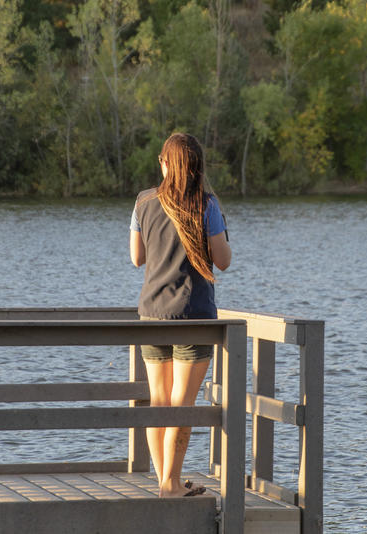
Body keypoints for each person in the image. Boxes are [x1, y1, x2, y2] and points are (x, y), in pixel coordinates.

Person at [129, 132, 231, 497]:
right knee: (182, 405)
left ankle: (165, 481)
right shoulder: (207, 204)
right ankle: (170, 485)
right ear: (198, 167)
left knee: (159, 402)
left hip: (152, 313)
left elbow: (137, 258)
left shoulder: (143, 202)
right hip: (194, 316)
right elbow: (223, 260)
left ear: (165, 163)